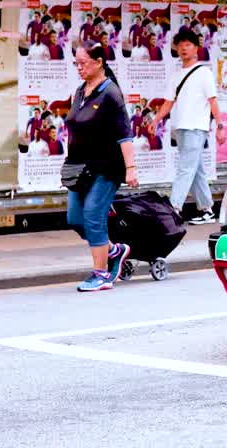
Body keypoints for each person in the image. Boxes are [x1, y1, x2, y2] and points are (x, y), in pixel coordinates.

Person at [64, 41, 139, 292]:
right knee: (76, 218)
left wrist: (131, 168)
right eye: (76, 63)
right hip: (80, 168)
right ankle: (115, 250)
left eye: (83, 63)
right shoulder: (80, 91)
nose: (79, 68)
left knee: (94, 216)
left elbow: (124, 134)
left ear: (99, 62)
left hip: (107, 167)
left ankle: (102, 274)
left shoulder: (111, 93)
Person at [152, 26, 224, 224]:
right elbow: (168, 102)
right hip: (180, 128)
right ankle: (207, 210)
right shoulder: (176, 75)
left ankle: (174, 207)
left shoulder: (204, 73)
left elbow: (213, 101)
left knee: (185, 168)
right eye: (180, 45)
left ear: (196, 48)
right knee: (196, 169)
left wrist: (219, 126)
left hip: (196, 128)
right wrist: (156, 120)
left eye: (188, 45)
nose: (183, 48)